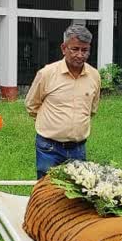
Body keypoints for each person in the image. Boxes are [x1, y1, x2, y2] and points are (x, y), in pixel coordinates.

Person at [25, 24, 101, 179]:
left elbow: (91, 109)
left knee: (76, 195)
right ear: (64, 48)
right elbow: (32, 105)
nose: (80, 55)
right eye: (75, 49)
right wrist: (52, 124)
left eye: (85, 50)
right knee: (47, 193)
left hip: (78, 149)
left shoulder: (94, 76)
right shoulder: (47, 73)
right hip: (49, 148)